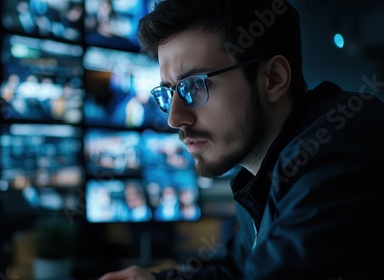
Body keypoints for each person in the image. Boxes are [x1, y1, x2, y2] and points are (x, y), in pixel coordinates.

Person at [99, 0, 384, 279]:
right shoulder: (258, 180)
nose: (174, 118)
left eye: (194, 85)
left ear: (272, 78)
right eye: (168, 93)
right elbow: (236, 268)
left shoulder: (339, 149)